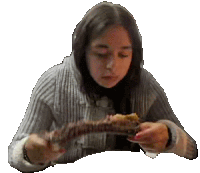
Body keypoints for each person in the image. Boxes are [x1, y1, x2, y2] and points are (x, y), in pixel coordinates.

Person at [8, 2, 197, 172]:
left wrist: (170, 137)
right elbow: (15, 152)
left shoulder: (145, 85)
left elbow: (191, 149)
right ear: (83, 52)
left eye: (123, 55)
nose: (112, 66)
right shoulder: (53, 83)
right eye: (100, 54)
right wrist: (29, 152)